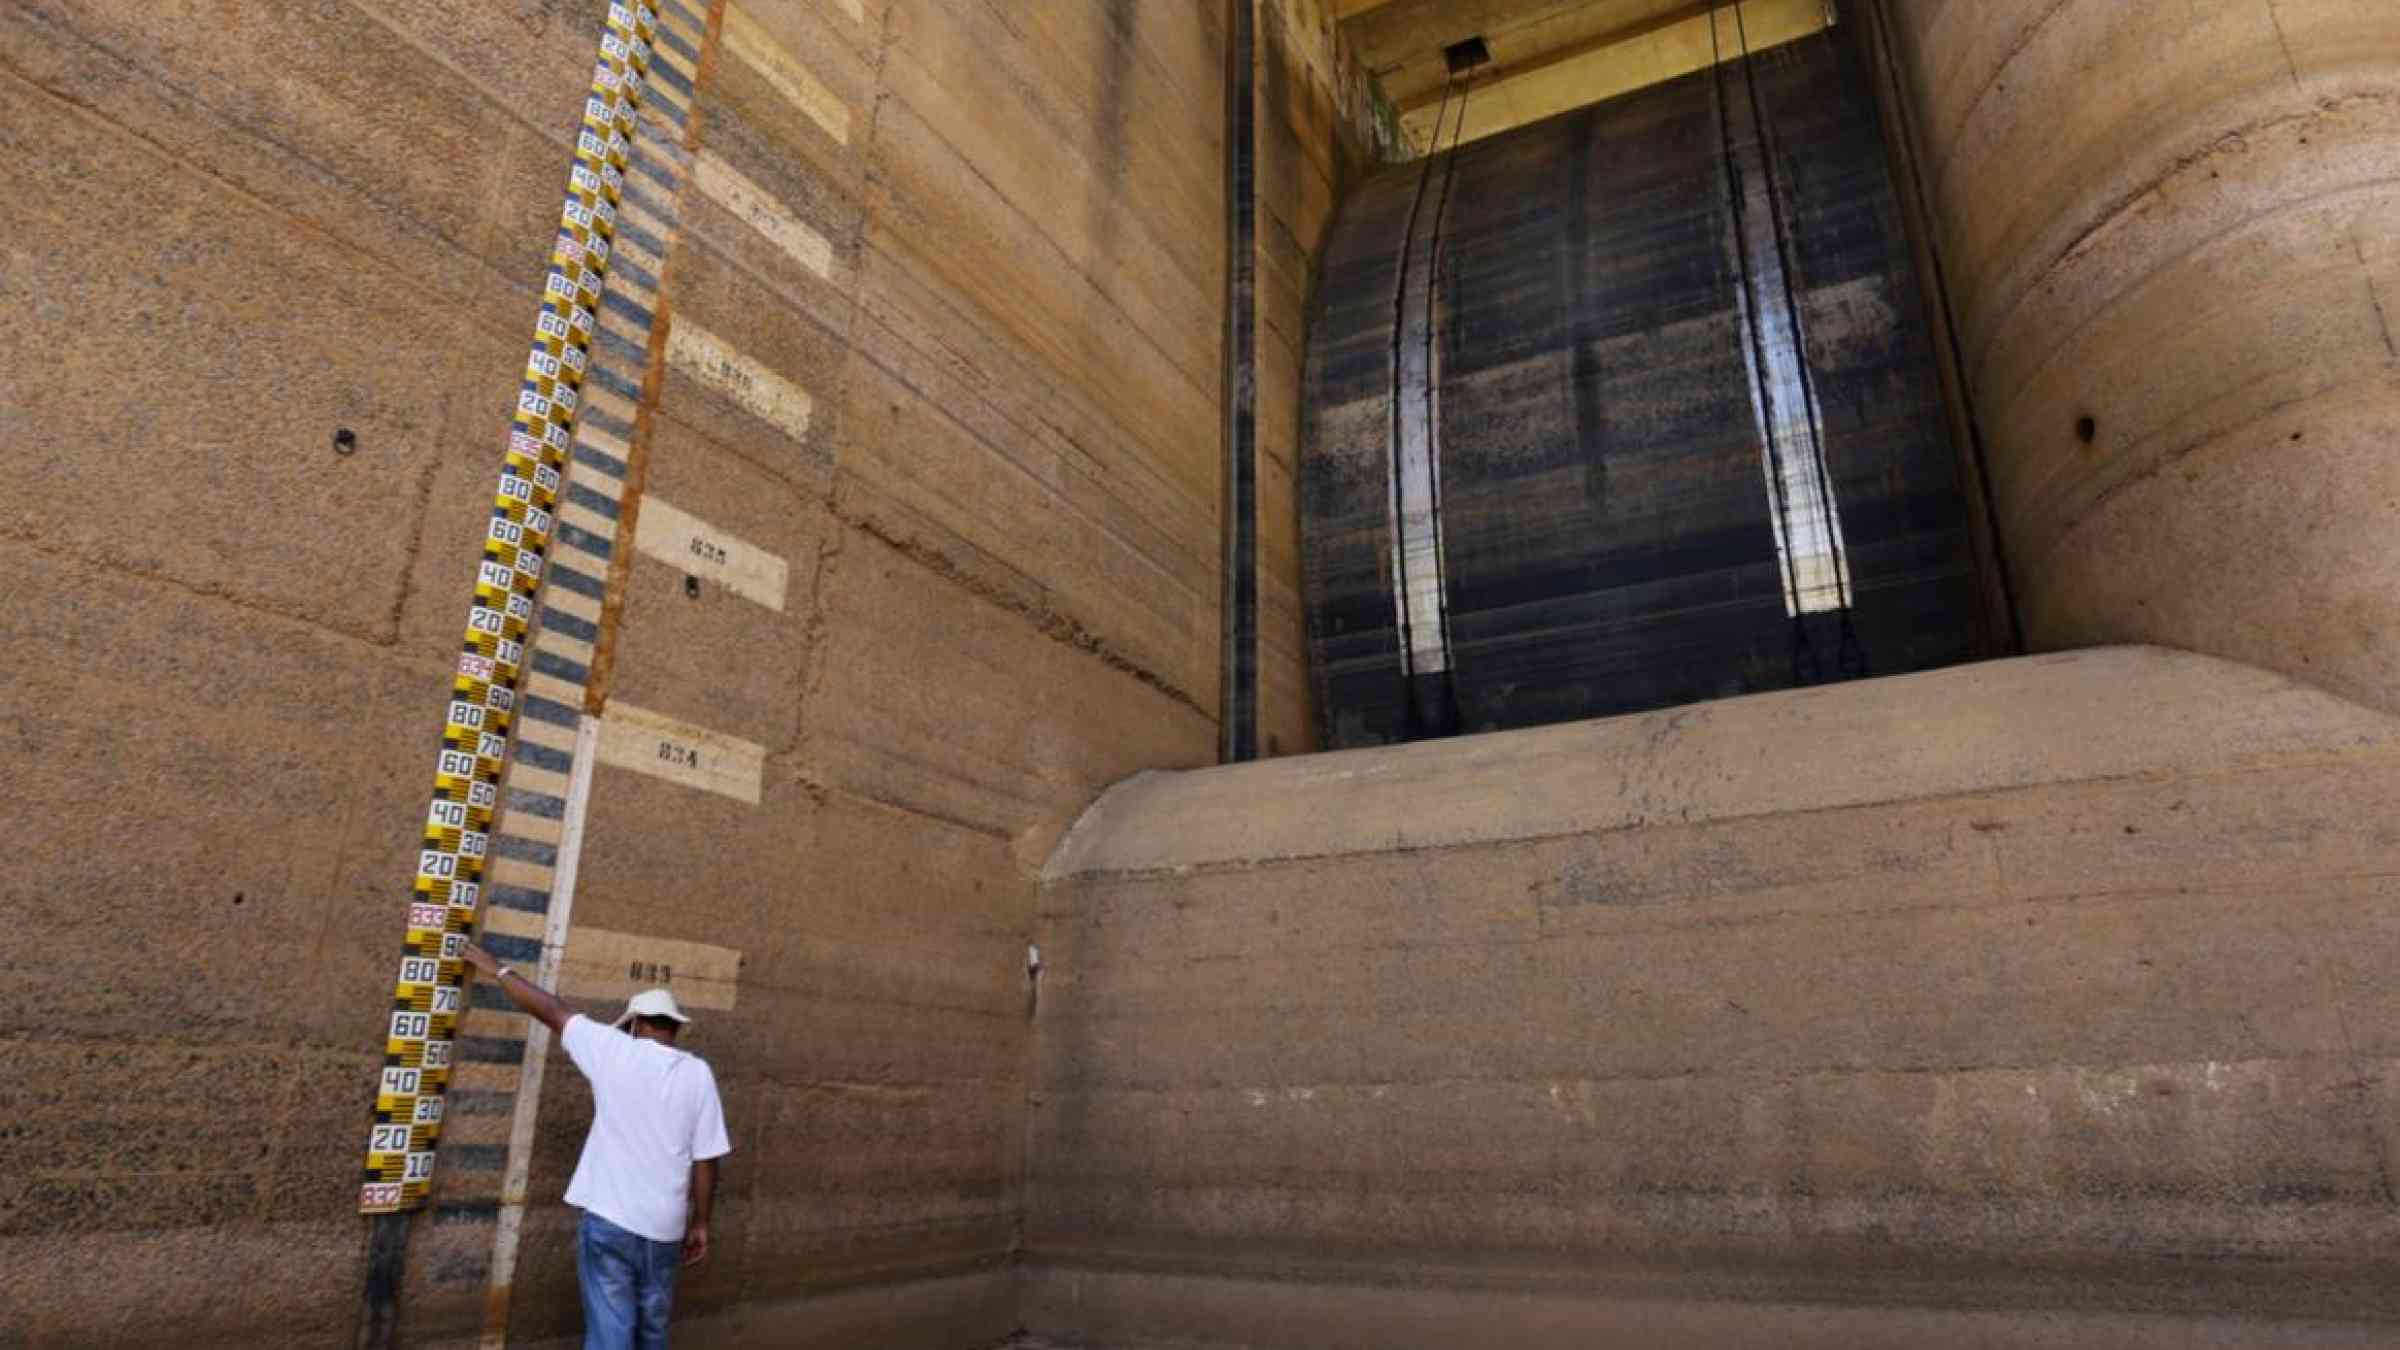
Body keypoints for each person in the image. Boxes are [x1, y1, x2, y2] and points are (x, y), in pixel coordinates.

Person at [461, 942, 730, 1350]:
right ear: (673, 1027)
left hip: (612, 1222)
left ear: (636, 1023)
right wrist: (701, 1224)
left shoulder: (612, 1049)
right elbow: (706, 1160)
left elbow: (551, 1010)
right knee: (651, 1332)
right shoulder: (698, 1073)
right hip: (664, 1230)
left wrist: (495, 968)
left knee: (611, 1334)